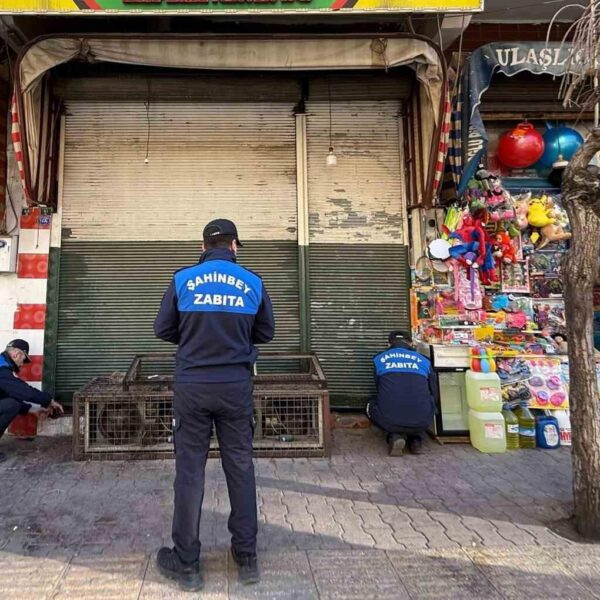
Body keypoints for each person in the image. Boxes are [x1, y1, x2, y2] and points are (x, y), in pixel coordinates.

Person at [154, 218, 274, 591]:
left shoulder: (183, 279)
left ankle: (187, 563)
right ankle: (247, 556)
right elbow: (266, 332)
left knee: (190, 472)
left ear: (204, 246)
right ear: (234, 245)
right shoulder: (253, 282)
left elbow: (162, 329)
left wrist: (193, 339)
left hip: (192, 386)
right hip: (235, 386)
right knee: (240, 467)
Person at [366, 330, 437, 456]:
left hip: (389, 420)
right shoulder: (424, 361)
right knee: (424, 402)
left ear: (388, 344)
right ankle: (415, 440)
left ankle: (395, 436)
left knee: (370, 404)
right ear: (411, 343)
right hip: (423, 421)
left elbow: (379, 387)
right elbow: (433, 391)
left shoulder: (379, 359)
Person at [0, 339, 64, 462]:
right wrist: (49, 401)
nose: (22, 365)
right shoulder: (2, 369)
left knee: (12, 403)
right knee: (11, 405)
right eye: (23, 360)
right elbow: (23, 391)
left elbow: (7, 395)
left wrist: (31, 410)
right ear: (16, 354)